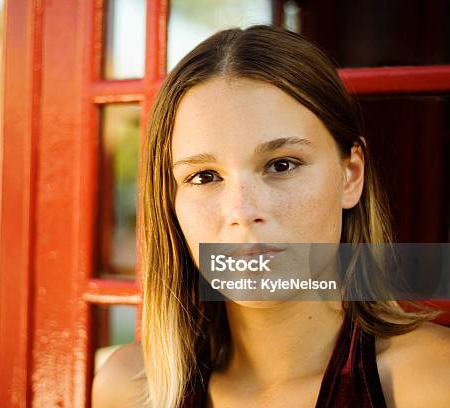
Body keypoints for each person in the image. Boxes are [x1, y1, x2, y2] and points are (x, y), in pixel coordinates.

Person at [92, 25, 449, 408]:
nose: (243, 212)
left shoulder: (430, 379)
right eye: (204, 176)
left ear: (351, 175)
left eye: (281, 165)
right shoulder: (130, 388)